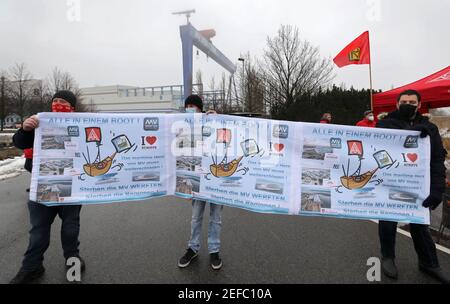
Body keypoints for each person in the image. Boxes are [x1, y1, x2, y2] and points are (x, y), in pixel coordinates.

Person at [9, 90, 85, 284]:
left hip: (72, 187)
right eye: (55, 100)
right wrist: (25, 129)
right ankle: (31, 267)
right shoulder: (40, 122)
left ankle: (72, 259)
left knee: (70, 228)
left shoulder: (82, 124)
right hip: (44, 186)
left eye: (63, 101)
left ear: (72, 108)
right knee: (38, 230)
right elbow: (19, 142)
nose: (57, 103)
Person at [376, 89, 449, 284]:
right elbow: (376, 149)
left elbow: (437, 160)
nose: (408, 104)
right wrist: (411, 135)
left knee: (420, 226)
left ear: (419, 104)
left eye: (412, 101)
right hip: (389, 184)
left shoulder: (430, 128)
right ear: (397, 104)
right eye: (404, 101)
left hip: (417, 186)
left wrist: (437, 189)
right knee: (388, 223)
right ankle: (388, 257)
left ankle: (429, 263)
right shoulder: (384, 124)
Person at [178, 94, 224, 270]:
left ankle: (214, 251)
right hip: (197, 181)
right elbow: (182, 154)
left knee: (216, 218)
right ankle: (193, 248)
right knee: (195, 217)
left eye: (193, 106)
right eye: (187, 105)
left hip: (215, 180)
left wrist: (217, 117)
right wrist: (185, 185)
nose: (190, 108)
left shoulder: (212, 121)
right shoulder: (185, 127)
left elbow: (225, 138)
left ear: (200, 108)